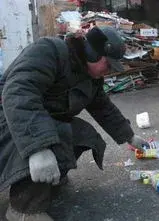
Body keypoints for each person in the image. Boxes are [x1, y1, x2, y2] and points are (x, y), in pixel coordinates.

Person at [0, 26, 149, 221]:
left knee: (83, 133)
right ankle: (24, 209)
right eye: (108, 64)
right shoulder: (49, 51)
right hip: (9, 119)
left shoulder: (90, 77)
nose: (110, 71)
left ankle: (48, 181)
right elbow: (18, 94)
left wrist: (129, 135)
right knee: (56, 134)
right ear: (93, 54)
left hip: (36, 122)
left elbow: (103, 107)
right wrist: (38, 149)